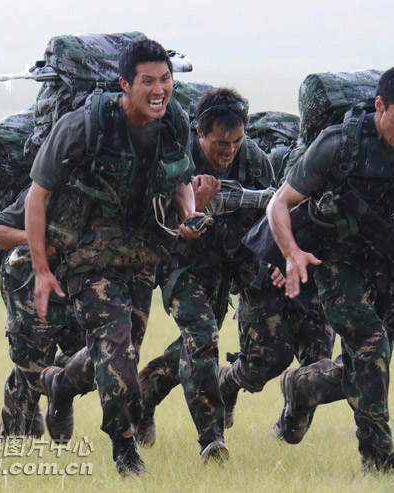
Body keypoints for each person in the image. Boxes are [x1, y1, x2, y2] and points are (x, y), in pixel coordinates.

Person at [266, 64, 394, 472]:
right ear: (380, 105)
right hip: (337, 261)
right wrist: (291, 254)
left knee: (371, 364)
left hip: (388, 259)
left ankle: (302, 386)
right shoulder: (339, 144)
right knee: (372, 350)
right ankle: (380, 467)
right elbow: (279, 204)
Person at [25, 38, 202, 476]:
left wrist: (190, 214)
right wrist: (42, 269)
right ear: (125, 84)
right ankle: (125, 452)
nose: (159, 90)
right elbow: (37, 196)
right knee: (117, 352)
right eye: (148, 81)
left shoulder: (174, 120)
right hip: (87, 252)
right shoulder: (84, 126)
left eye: (166, 80)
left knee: (118, 352)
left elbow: (179, 175)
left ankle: (60, 383)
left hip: (142, 251)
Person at [134, 88, 274, 461]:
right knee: (202, 336)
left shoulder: (256, 163)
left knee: (194, 348)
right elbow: (150, 225)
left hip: (227, 269)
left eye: (237, 141)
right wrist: (190, 212)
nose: (229, 150)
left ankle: (145, 394)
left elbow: (270, 219)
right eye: (219, 143)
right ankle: (212, 439)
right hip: (182, 266)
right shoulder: (175, 162)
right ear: (198, 133)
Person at [0, 186, 85, 437]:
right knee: (31, 373)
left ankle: (57, 384)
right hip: (28, 286)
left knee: (96, 359)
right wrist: (35, 237)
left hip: (71, 287)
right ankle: (8, 445)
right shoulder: (42, 190)